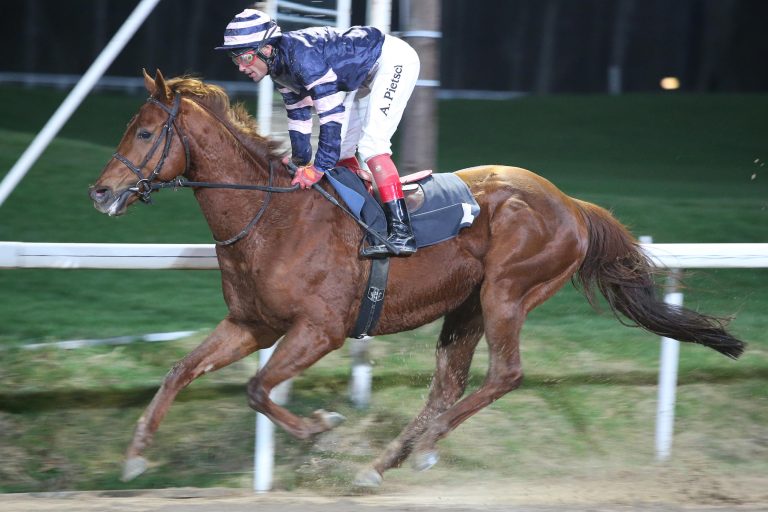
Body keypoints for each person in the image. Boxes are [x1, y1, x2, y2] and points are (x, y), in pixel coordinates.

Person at [216, 8, 420, 257]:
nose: (240, 67)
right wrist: (299, 162)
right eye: (235, 59)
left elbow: (331, 119)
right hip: (366, 72)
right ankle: (368, 216)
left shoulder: (303, 60)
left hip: (393, 60)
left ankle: (402, 233)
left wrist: (318, 168)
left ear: (266, 49)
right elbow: (299, 117)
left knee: (372, 146)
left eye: (245, 58)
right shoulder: (280, 69)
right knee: (344, 150)